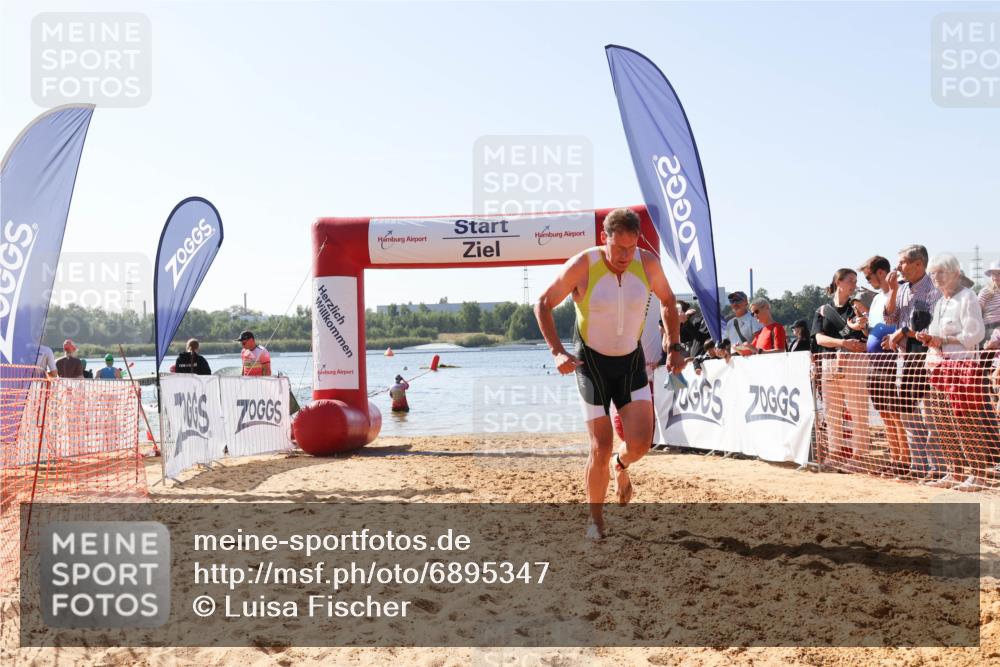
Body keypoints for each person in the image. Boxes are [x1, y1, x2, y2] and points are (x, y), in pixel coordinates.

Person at [534, 207, 685, 540]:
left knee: (642, 444)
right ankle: (596, 520)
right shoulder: (584, 264)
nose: (624, 256)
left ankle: (622, 465)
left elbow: (669, 300)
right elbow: (543, 303)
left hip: (630, 360)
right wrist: (557, 351)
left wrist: (674, 345)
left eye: (630, 249)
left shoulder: (646, 264)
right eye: (618, 249)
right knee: (599, 446)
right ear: (605, 239)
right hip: (591, 365)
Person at [915, 254, 993, 491]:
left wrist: (944, 339)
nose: (935, 278)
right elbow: (937, 333)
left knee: (967, 422)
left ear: (955, 273)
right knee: (943, 421)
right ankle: (954, 471)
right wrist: (928, 338)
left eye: (940, 272)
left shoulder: (967, 297)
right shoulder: (940, 302)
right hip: (939, 367)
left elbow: (974, 335)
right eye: (933, 273)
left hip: (962, 368)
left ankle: (978, 475)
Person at [882, 244, 942, 480]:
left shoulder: (934, 290)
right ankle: (918, 467)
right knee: (908, 413)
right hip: (904, 359)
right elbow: (889, 318)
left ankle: (938, 468)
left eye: (903, 262)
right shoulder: (902, 289)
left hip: (927, 358)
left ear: (919, 264)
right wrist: (893, 291)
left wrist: (904, 332)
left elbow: (931, 329)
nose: (898, 267)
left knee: (931, 416)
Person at [812, 268, 871, 471]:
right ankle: (835, 452)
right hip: (829, 362)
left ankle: (860, 454)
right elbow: (819, 338)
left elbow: (866, 330)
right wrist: (842, 342)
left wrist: (860, 327)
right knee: (832, 411)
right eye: (851, 281)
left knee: (857, 408)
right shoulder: (823, 310)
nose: (854, 285)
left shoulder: (855, 306)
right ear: (839, 282)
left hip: (854, 361)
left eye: (856, 281)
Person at [859, 255, 908, 477]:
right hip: (875, 363)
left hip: (891, 362)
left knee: (895, 412)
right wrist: (862, 327)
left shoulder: (899, 294)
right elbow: (873, 330)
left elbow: (894, 323)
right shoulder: (877, 299)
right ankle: (894, 456)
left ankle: (905, 459)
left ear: (880, 273)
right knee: (885, 413)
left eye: (869, 276)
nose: (868, 281)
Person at [980, 260, 1000, 343]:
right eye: (993, 274)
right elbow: (977, 310)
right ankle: (992, 341)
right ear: (991, 275)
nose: (996, 276)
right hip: (990, 325)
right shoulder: (985, 291)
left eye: (999, 273)